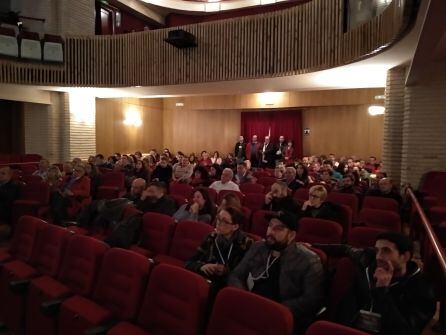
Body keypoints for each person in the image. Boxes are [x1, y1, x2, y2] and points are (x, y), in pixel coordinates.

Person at [313, 232, 436, 335]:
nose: (378, 257)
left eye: (386, 251)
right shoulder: (367, 262)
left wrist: (382, 291)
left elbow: (405, 331)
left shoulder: (422, 288)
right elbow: (346, 249)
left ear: (405, 256)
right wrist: (311, 245)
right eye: (377, 250)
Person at [228, 211, 325, 335]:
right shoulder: (258, 248)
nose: (270, 232)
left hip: (281, 315)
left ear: (291, 235)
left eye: (278, 229)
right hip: (252, 306)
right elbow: (236, 275)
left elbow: (311, 300)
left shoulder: (309, 260)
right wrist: (243, 297)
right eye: (270, 226)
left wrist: (275, 310)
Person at [186, 206, 253, 287]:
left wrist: (226, 271)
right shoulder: (211, 237)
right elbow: (189, 263)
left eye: (224, 221)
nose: (218, 223)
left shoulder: (245, 244)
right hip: (208, 281)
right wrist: (201, 267)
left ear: (235, 227)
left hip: (229, 287)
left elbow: (243, 277)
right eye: (218, 218)